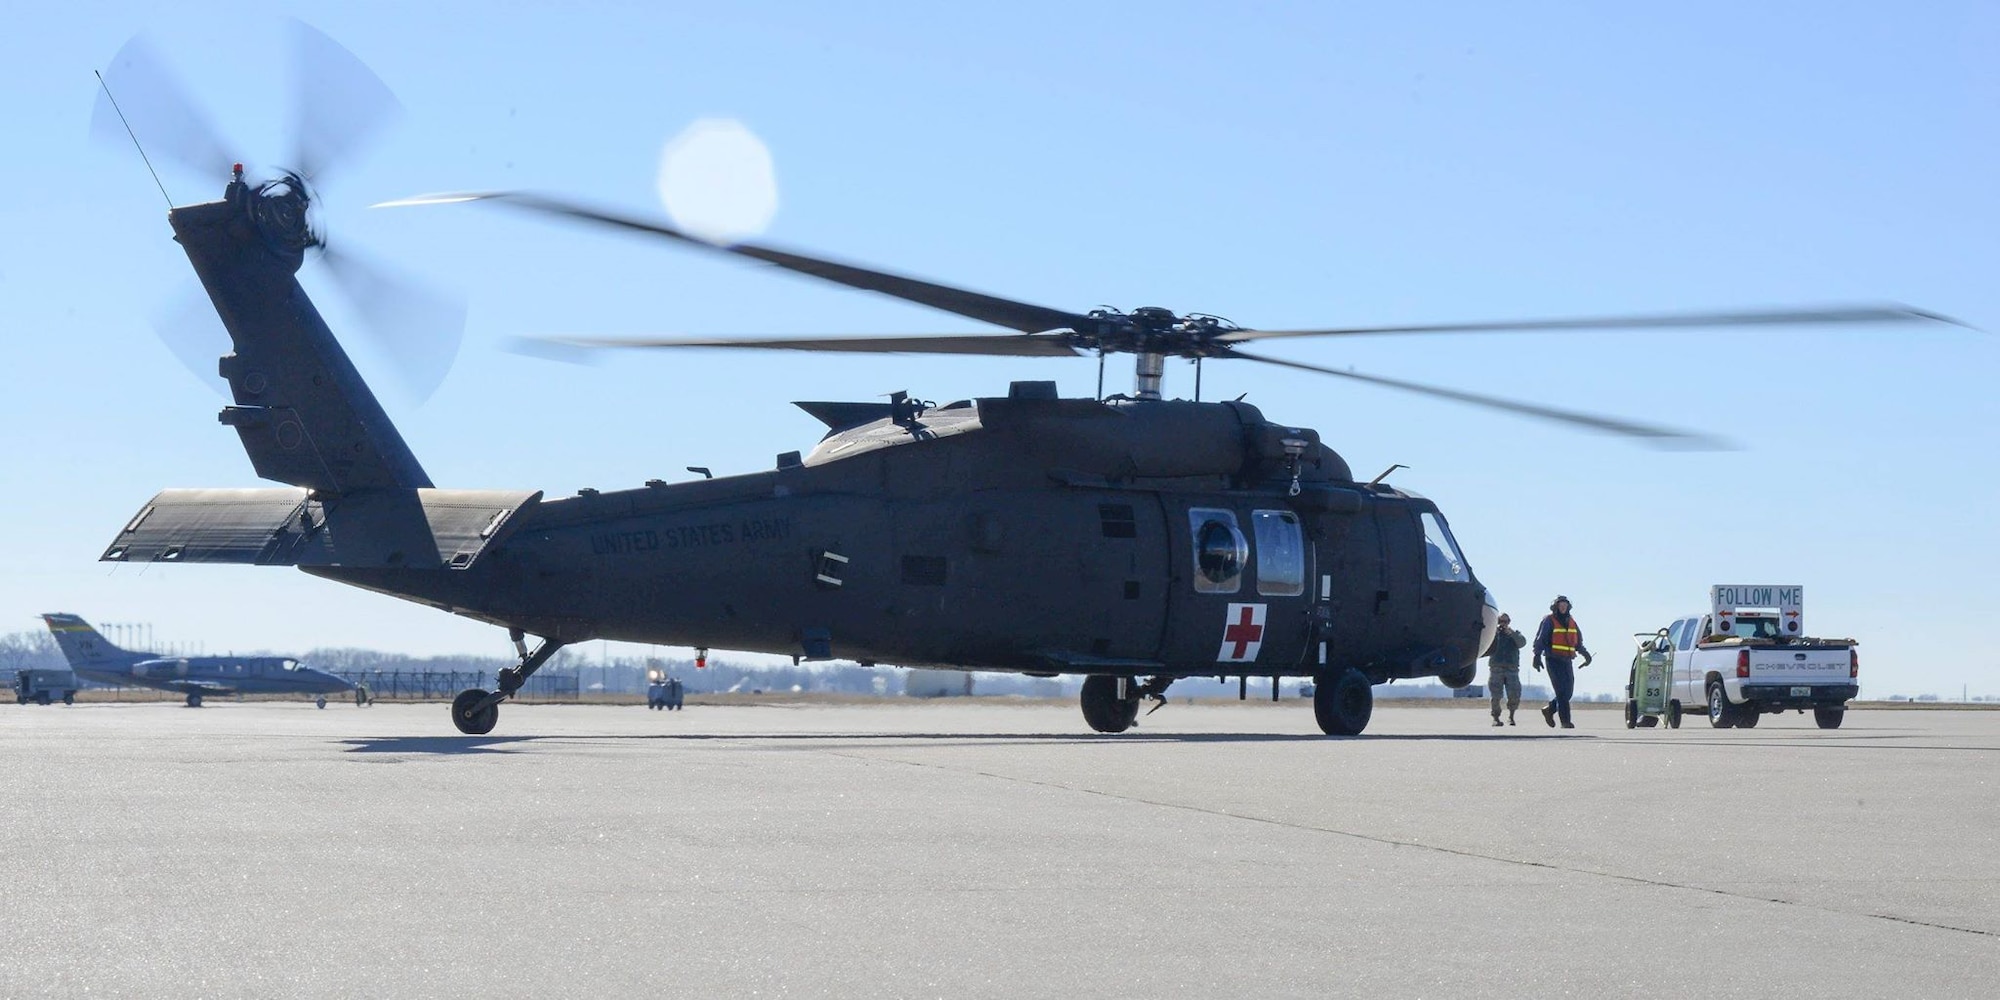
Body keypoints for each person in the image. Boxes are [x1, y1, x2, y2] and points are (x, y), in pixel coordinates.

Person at [1533, 595, 1592, 728]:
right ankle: (1565, 722)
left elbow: (1577, 641)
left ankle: (1549, 709)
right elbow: (1540, 639)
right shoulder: (1548, 620)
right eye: (1560, 604)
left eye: (1565, 604)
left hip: (1567, 660)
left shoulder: (1571, 621)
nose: (1563, 606)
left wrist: (1586, 654)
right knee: (1561, 692)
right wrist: (1536, 656)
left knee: (1568, 692)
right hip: (1553, 660)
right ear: (1556, 606)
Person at [1485, 614, 1526, 726]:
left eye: (1505, 621)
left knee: (1514, 694)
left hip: (1511, 669)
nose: (1503, 623)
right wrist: (1494, 632)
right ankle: (1496, 717)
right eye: (1501, 621)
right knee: (1496, 695)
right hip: (1496, 668)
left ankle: (1511, 716)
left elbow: (1522, 643)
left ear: (1509, 622)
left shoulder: (1515, 634)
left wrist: (1511, 633)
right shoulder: (1493, 634)